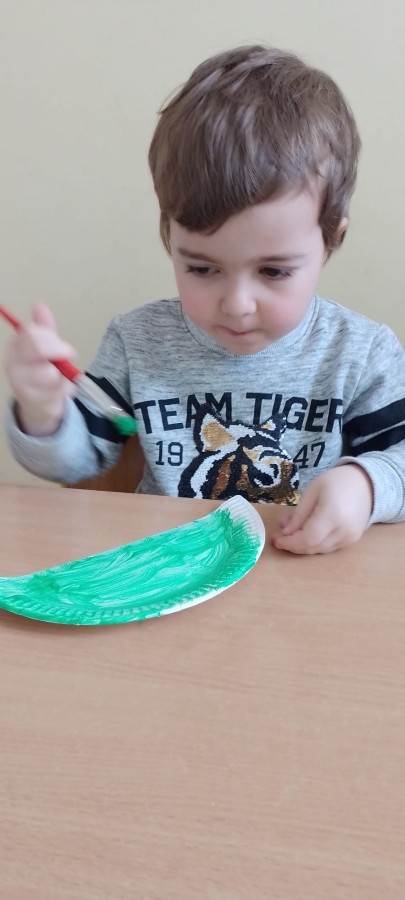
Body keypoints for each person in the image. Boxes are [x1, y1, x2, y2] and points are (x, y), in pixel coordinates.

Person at [3, 45, 405, 555]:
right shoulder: (136, 341)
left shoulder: (362, 353)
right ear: (169, 237)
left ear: (330, 241)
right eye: (202, 268)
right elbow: (76, 463)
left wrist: (367, 485)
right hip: (167, 569)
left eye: (274, 271)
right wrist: (43, 411)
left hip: (301, 575)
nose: (237, 304)